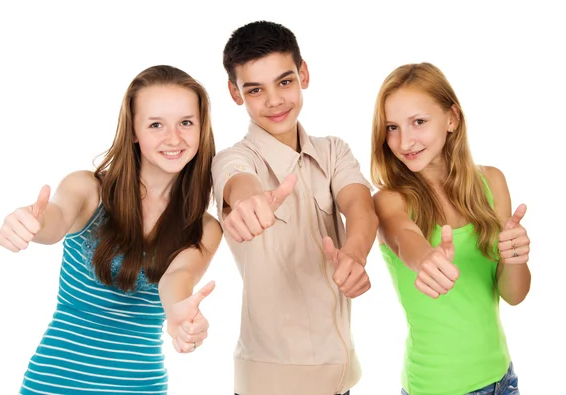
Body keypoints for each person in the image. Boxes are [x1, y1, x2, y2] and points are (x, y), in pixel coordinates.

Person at [0, 65, 222, 394]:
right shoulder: (89, 190)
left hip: (139, 386)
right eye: (156, 124)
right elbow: (55, 219)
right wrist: (31, 224)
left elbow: (178, 278)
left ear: (202, 129)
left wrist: (178, 314)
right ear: (133, 130)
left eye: (186, 122)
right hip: (55, 383)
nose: (174, 138)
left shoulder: (204, 228)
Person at [212, 20, 379, 395]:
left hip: (341, 380)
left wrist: (354, 253)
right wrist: (248, 200)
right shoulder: (233, 158)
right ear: (235, 93)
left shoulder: (333, 150)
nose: (274, 101)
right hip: (269, 385)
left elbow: (360, 207)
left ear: (303, 74)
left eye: (284, 82)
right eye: (255, 89)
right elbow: (237, 181)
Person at [371, 62, 530, 395]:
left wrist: (515, 258)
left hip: (503, 381)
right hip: (436, 388)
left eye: (418, 122)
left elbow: (514, 295)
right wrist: (425, 257)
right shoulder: (389, 200)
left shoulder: (492, 183)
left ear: (451, 119)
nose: (404, 141)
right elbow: (404, 238)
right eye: (392, 127)